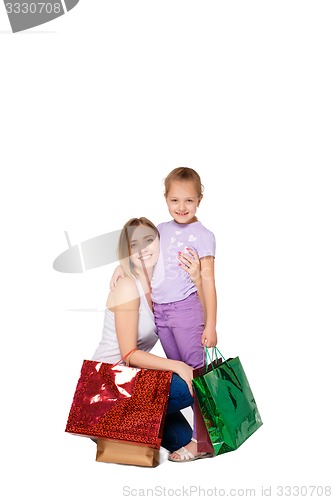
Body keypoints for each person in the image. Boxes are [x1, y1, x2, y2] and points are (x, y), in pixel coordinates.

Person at [110, 167, 218, 461]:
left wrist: (211, 325)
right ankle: (142, 426)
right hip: (162, 313)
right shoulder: (160, 229)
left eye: (188, 201)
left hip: (185, 310)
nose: (181, 208)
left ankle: (204, 443)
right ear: (166, 199)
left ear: (200, 200)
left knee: (196, 376)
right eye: (174, 200)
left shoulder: (203, 235)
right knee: (178, 373)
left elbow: (207, 282)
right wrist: (121, 267)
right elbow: (142, 256)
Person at [92, 217, 213, 461]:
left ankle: (123, 428)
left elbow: (192, 306)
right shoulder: (127, 286)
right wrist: (179, 366)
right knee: (190, 388)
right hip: (107, 386)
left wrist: (198, 279)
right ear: (126, 252)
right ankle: (106, 420)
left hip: (135, 383)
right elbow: (129, 354)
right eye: (133, 245)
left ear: (161, 242)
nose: (143, 249)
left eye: (149, 240)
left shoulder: (160, 283)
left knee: (182, 439)